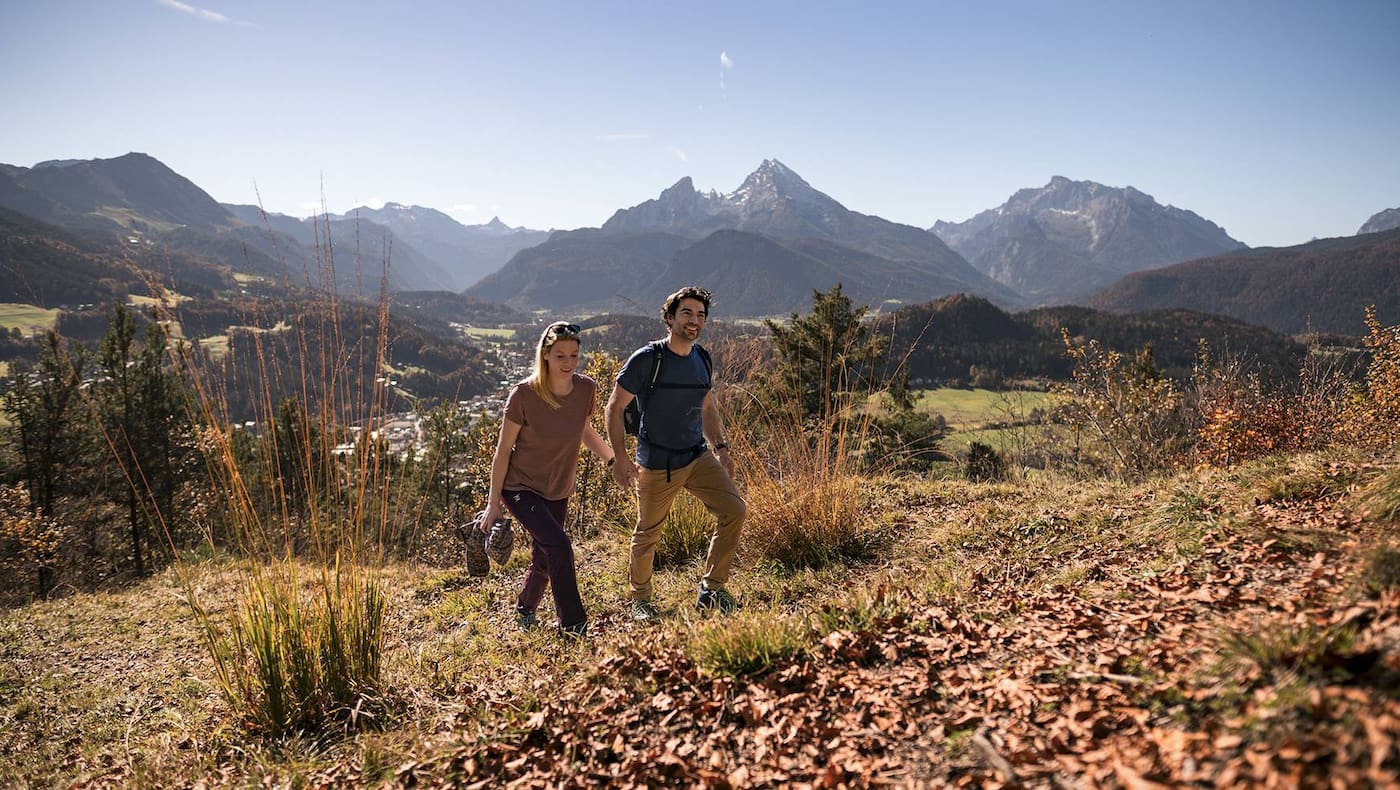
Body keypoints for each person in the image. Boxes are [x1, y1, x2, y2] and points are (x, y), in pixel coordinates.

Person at [606, 286, 747, 621]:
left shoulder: (702, 358)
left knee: (735, 510)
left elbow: (707, 406)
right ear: (669, 318)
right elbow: (614, 408)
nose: (694, 320)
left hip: (697, 457)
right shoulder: (647, 359)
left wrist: (721, 446)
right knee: (648, 532)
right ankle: (640, 599)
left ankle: (712, 589)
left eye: (700, 314)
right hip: (657, 463)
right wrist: (621, 459)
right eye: (686, 313)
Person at [482, 320, 613, 638]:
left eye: (573, 355)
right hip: (519, 488)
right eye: (560, 356)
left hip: (558, 487)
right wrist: (492, 504)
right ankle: (574, 626)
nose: (568, 363)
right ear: (545, 355)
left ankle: (525, 608)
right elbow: (502, 452)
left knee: (544, 556)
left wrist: (613, 459)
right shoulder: (523, 396)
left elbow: (581, 429)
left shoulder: (586, 390)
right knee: (560, 547)